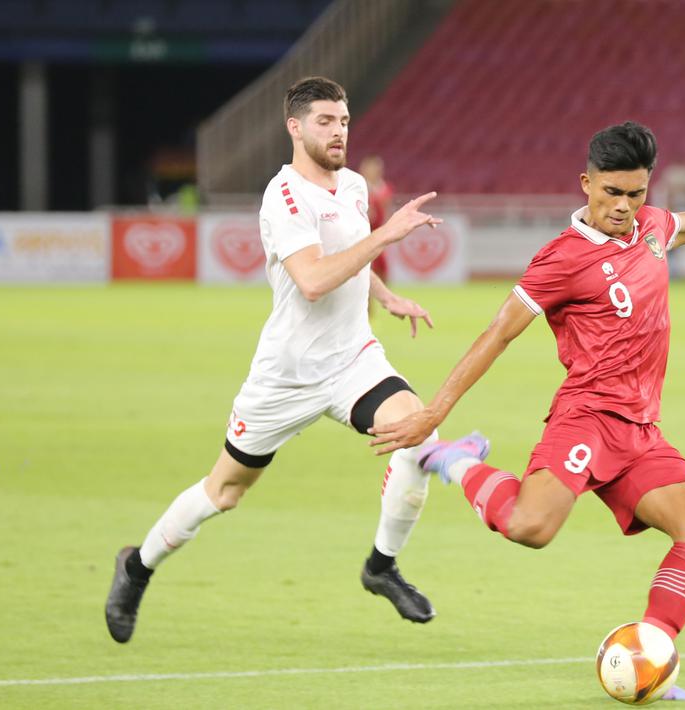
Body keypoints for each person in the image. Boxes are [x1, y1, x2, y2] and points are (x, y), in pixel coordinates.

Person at [369, 122, 685, 701]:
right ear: (586, 184)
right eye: (612, 193)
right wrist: (434, 412)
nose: (624, 207)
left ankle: (652, 660)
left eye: (635, 194)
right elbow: (498, 334)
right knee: (530, 528)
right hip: (586, 418)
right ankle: (452, 460)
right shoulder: (561, 259)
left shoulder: (652, 228)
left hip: (640, 430)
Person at [105, 76, 447, 643]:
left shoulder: (356, 187)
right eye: (324, 122)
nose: (338, 132)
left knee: (421, 433)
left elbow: (349, 265)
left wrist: (386, 296)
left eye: (343, 121)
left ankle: (380, 566)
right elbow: (312, 280)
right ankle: (136, 567)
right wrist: (387, 237)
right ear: (295, 127)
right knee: (225, 493)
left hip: (353, 360)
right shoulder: (284, 196)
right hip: (287, 375)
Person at [360, 155, 394, 283]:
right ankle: (365, 302)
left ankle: (386, 299)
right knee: (364, 271)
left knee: (382, 269)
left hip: (379, 234)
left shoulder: (384, 187)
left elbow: (386, 210)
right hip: (363, 235)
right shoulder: (359, 186)